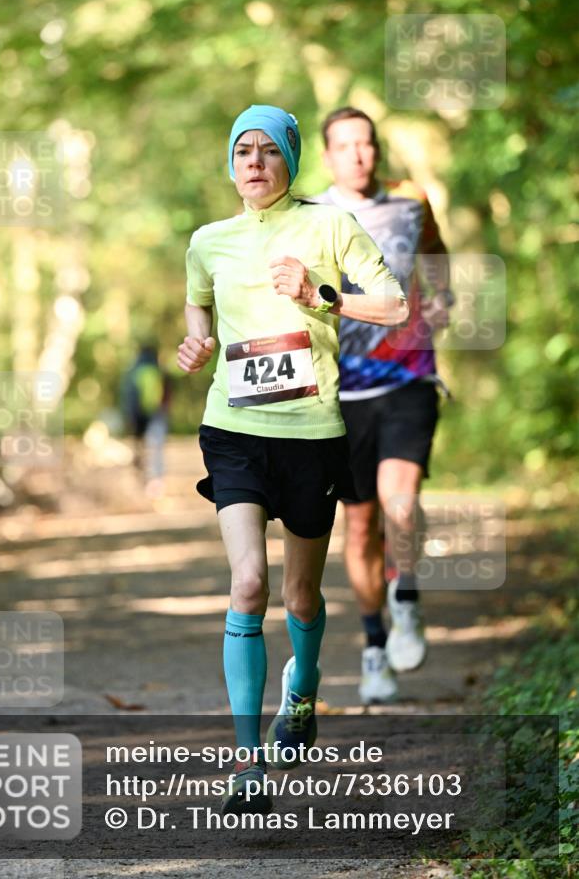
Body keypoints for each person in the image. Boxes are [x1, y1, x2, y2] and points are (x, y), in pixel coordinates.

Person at [178, 104, 408, 813]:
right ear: (229, 163)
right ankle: (248, 764)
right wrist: (197, 343)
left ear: (289, 159)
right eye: (241, 151)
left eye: (267, 151)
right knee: (247, 583)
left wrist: (319, 294)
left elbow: (395, 307)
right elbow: (196, 309)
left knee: (299, 596)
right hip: (234, 431)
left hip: (311, 434)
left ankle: (301, 687)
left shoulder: (330, 225)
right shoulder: (208, 241)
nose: (253, 162)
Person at [313, 107, 453, 704]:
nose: (357, 155)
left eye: (365, 143)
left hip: (408, 379)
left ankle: (408, 596)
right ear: (327, 156)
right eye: (343, 146)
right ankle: (374, 647)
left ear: (376, 148)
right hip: (340, 395)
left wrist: (442, 297)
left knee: (402, 504)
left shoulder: (409, 200)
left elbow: (436, 252)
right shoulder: (310, 217)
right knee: (362, 523)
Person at [120, 344, 171, 497]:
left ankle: (140, 478)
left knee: (139, 450)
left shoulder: (133, 372)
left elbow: (127, 398)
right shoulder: (160, 372)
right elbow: (167, 395)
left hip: (137, 419)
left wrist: (129, 418)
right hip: (157, 416)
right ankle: (156, 482)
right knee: (156, 450)